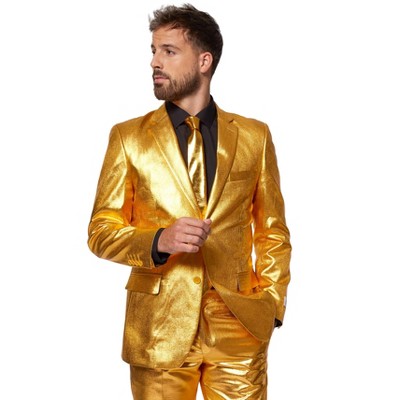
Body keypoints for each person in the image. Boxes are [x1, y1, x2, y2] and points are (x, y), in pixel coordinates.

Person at [88, 4, 291, 399]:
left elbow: (273, 232)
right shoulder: (128, 137)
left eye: (169, 51)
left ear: (204, 61)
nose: (154, 62)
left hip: (239, 324)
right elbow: (100, 231)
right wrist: (158, 240)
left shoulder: (255, 136)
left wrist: (271, 303)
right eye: (153, 51)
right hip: (158, 327)